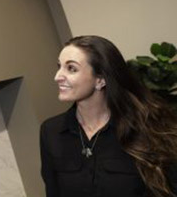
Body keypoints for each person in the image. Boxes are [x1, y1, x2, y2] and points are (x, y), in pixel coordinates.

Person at [40, 35, 177, 197]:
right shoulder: (51, 131)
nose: (57, 77)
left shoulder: (146, 126)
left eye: (71, 68)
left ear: (100, 80)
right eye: (59, 66)